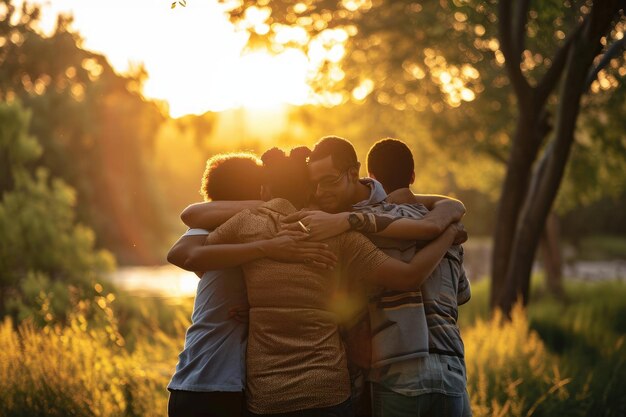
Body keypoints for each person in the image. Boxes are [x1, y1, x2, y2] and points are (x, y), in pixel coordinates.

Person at [177, 146, 463, 416]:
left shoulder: (249, 225)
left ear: (266, 189)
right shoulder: (340, 233)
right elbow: (407, 277)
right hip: (328, 391)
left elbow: (190, 252)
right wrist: (447, 232)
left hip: (265, 396)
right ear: (311, 189)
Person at [286, 137, 472, 417]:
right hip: (451, 370)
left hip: (398, 369)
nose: (321, 191)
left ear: (359, 173)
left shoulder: (354, 226)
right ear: (412, 176)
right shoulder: (438, 221)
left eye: (329, 180)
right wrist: (448, 227)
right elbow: (462, 294)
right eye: (316, 184)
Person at [165, 152, 338, 417]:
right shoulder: (215, 227)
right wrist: (267, 240)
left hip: (222, 385)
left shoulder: (255, 227)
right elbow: (183, 248)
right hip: (211, 384)